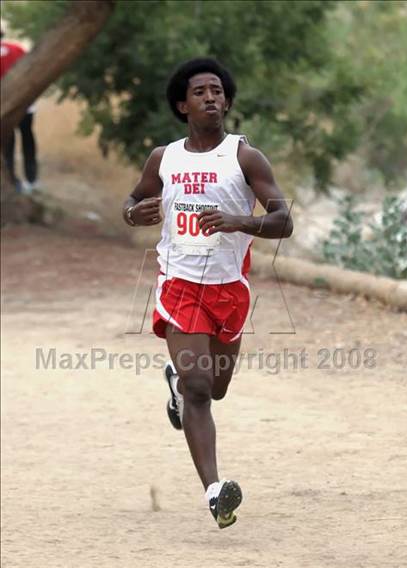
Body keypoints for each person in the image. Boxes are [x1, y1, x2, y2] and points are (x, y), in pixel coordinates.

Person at [122, 58, 293, 529]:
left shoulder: (245, 157)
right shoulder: (164, 158)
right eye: (200, 92)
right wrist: (135, 214)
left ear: (228, 101)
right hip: (179, 284)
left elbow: (285, 220)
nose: (211, 97)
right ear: (183, 105)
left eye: (217, 91)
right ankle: (216, 492)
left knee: (214, 388)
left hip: (228, 290)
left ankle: (176, 389)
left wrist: (241, 220)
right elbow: (132, 202)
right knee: (200, 387)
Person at [1, 30, 38, 193]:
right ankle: (32, 179)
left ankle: (12, 180)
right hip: (26, 104)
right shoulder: (16, 49)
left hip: (5, 106)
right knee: (27, 138)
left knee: (8, 142)